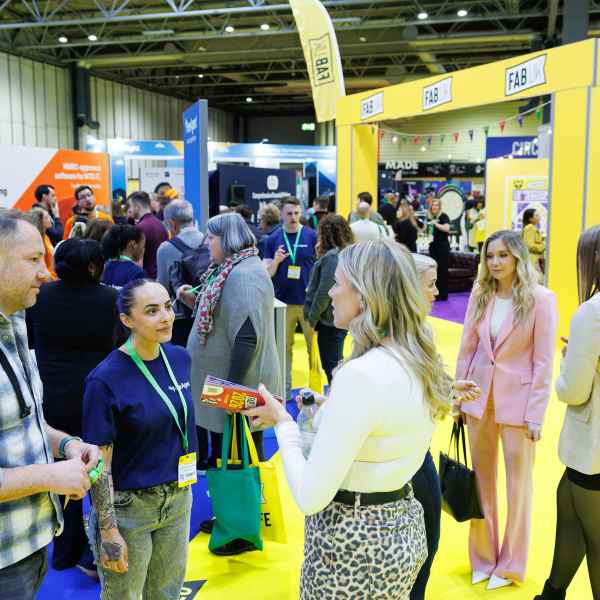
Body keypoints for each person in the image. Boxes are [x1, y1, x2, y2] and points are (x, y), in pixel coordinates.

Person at [244, 238, 452, 599]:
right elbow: (382, 431)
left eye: (338, 283)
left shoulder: (362, 374)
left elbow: (310, 495)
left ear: (365, 295)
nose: (331, 292)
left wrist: (284, 424)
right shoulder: (415, 356)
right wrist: (326, 410)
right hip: (398, 532)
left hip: (352, 547)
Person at [0, 215, 100, 600]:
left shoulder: (16, 320)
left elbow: (22, 422)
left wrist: (66, 445)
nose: (45, 274)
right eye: (32, 260)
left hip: (32, 543)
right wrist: (50, 476)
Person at [455, 229, 558, 590]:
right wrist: (459, 396)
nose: (495, 262)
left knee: (519, 487)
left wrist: (536, 414)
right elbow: (467, 348)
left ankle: (511, 565)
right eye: (489, 256)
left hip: (520, 402)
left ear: (517, 257)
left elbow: (544, 361)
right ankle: (483, 558)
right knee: (481, 481)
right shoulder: (480, 293)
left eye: (502, 255)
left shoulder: (540, 299)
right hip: (478, 397)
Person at [83, 279, 197, 600]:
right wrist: (108, 530)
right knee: (125, 596)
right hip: (129, 509)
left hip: (179, 498)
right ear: (127, 320)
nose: (166, 317)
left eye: (168, 307)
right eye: (151, 311)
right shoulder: (104, 379)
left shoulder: (180, 359)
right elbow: (99, 465)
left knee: (166, 593)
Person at [181, 213, 280, 551]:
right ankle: (231, 515)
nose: (207, 243)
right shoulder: (231, 270)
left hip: (236, 387)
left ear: (228, 239)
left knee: (240, 456)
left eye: (211, 237)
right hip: (224, 385)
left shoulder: (244, 275)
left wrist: (232, 394)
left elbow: (247, 336)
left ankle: (241, 530)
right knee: (229, 455)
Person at [26, 238, 120, 575]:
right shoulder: (110, 299)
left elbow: (30, 340)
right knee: (99, 469)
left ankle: (65, 549)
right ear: (94, 266)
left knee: (60, 469)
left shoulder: (40, 296)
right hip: (98, 393)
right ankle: (96, 550)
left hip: (52, 393)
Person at [534, 225, 600, 600]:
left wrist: (568, 365)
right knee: (570, 512)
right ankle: (551, 593)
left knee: (595, 538)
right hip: (588, 453)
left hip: (593, 445)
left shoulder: (592, 312)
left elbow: (573, 391)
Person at [264, 196, 317, 399]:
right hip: (282, 303)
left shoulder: (312, 236)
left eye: (296, 213)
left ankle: (315, 391)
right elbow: (267, 273)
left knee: (313, 348)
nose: (293, 217)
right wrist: (276, 261)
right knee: (284, 349)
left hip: (308, 303)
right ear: (281, 215)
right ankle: (284, 391)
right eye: (289, 213)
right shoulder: (272, 239)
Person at [303, 215, 353, 385]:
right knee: (333, 364)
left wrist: (312, 318)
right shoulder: (343, 253)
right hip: (334, 319)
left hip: (329, 322)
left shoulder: (333, 257)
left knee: (332, 366)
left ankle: (339, 397)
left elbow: (324, 292)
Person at [157, 200, 205, 347]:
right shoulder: (209, 241)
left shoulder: (166, 248)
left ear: (172, 223)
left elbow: (163, 288)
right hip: (207, 312)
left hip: (180, 318)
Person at [128, 191, 169, 279]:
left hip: (146, 279)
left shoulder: (139, 228)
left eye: (130, 206)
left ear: (137, 206)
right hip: (162, 277)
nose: (129, 210)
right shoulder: (161, 225)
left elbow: (136, 260)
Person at [101, 224, 147, 289]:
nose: (143, 249)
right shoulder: (138, 273)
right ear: (133, 244)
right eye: (143, 246)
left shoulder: (104, 267)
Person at [22, 207, 56, 280]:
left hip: (52, 277)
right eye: (46, 217)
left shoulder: (45, 237)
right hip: (46, 279)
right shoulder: (35, 240)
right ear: (40, 222)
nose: (50, 219)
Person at [427, 198, 451, 301]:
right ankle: (435, 294)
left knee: (442, 270)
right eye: (433, 205)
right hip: (433, 247)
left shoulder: (443, 216)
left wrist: (435, 224)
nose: (434, 207)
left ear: (439, 207)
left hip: (443, 247)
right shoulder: (429, 217)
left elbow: (447, 228)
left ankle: (443, 294)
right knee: (434, 271)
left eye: (436, 205)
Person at [522, 208, 545, 282]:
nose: (539, 217)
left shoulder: (533, 228)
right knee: (536, 281)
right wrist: (543, 246)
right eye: (536, 215)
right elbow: (529, 245)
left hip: (535, 261)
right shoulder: (529, 228)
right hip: (533, 261)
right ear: (530, 218)